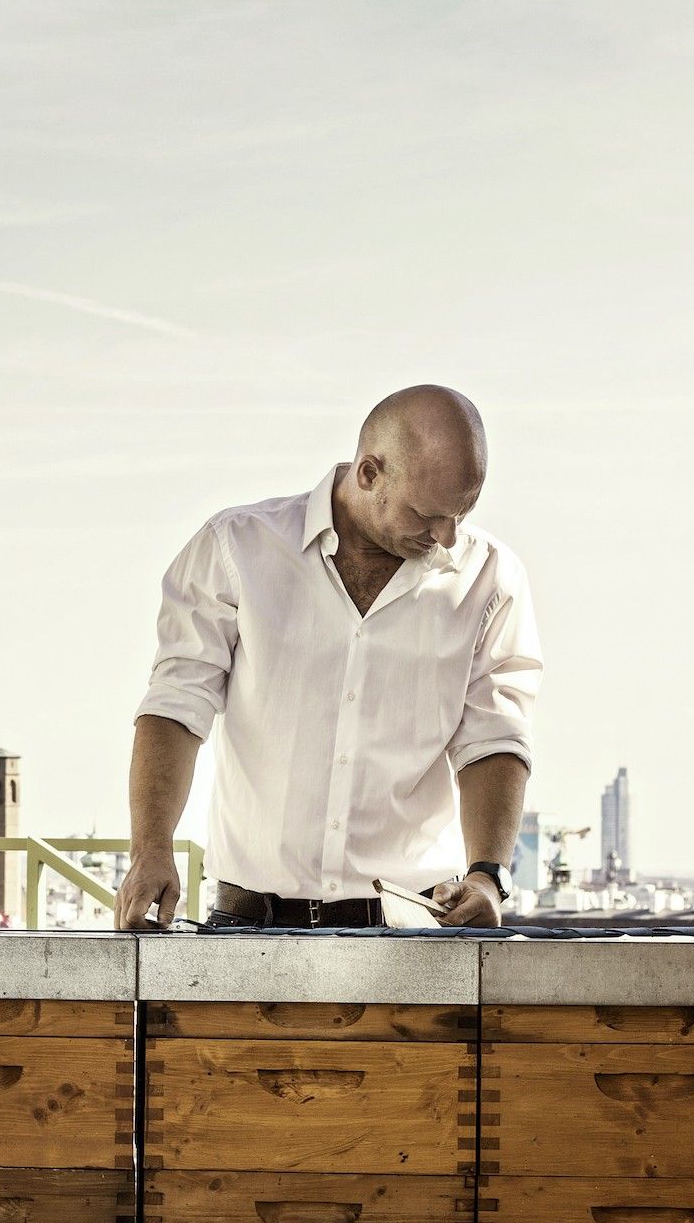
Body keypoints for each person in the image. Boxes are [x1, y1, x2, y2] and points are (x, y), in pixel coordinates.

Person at [114, 386, 542, 931]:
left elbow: (494, 738)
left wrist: (487, 874)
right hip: (247, 931)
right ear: (369, 473)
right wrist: (150, 848)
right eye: (428, 514)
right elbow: (176, 706)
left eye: (462, 512)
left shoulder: (492, 579)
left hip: (411, 938)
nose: (447, 537)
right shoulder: (236, 547)